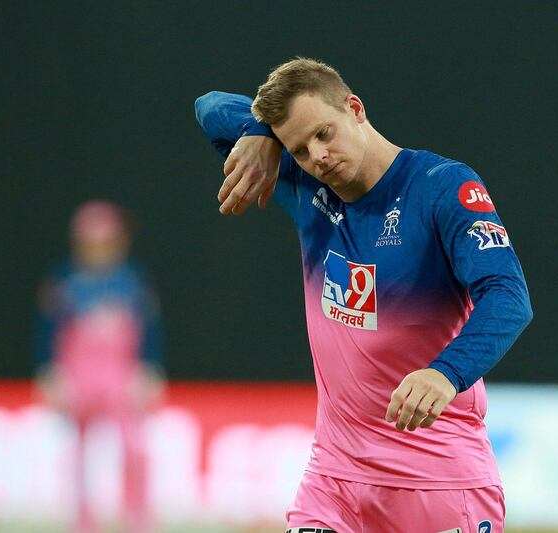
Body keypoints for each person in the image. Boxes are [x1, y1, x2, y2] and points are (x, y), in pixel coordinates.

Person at [194, 58, 532, 533]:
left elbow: (508, 296)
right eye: (301, 149)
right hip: (335, 481)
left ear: (355, 108)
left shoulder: (442, 187)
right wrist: (260, 134)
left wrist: (445, 374)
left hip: (439, 480)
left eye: (324, 133)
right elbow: (208, 107)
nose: (318, 157)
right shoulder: (304, 183)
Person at [35, 200, 164, 533]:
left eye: (105, 243)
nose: (98, 251)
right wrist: (51, 371)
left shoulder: (133, 281)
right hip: (78, 371)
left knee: (134, 447)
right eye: (91, 243)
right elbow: (49, 328)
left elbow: (149, 329)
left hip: (119, 372)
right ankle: (82, 520)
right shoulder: (65, 281)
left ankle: (137, 517)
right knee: (79, 451)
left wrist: (149, 368)